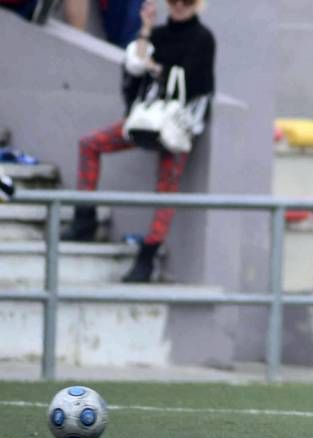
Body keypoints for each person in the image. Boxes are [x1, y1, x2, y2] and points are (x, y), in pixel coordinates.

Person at [61, 0, 215, 283]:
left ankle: (146, 257)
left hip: (177, 125)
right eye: (174, 1)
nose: (179, 6)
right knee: (90, 144)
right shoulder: (157, 34)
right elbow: (134, 68)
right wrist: (144, 29)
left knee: (166, 188)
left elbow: (197, 82)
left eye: (187, 1)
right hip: (145, 119)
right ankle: (84, 218)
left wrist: (158, 69)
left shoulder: (203, 38)